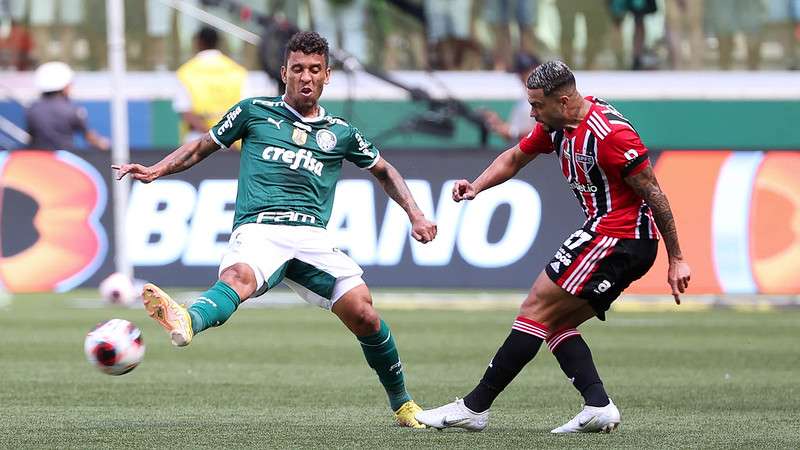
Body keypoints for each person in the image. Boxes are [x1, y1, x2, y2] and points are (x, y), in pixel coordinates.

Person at [113, 31, 437, 429]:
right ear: (283, 72)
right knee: (238, 278)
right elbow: (202, 146)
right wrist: (157, 169)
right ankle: (188, 320)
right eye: (297, 69)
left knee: (365, 315)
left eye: (314, 70)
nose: (305, 77)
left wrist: (416, 215)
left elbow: (384, 171)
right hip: (261, 227)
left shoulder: (340, 132)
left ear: (327, 76)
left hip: (312, 238)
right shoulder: (253, 111)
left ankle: (403, 406)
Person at [415, 60, 691, 433]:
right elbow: (515, 157)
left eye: (536, 105)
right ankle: (598, 405)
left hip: (620, 237)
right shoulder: (555, 125)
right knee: (555, 322)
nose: (531, 113)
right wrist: (477, 186)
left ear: (562, 101)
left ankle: (474, 407)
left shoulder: (611, 135)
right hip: (605, 234)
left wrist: (676, 258)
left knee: (535, 308)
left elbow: (654, 193)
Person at [174, 26, 248, 143]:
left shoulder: (186, 72)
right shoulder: (237, 71)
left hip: (198, 141)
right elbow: (246, 109)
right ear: (217, 42)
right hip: (232, 140)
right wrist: (223, 136)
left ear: (198, 42)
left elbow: (186, 112)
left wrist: (213, 137)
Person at [26, 61, 110, 151]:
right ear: (64, 86)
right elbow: (89, 136)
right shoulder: (72, 109)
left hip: (39, 159)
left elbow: (30, 137)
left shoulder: (32, 109)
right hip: (64, 160)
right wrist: (102, 143)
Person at [481, 52, 539, 143]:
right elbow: (512, 131)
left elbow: (545, 132)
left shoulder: (544, 97)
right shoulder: (524, 98)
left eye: (524, 72)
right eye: (520, 73)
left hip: (540, 154)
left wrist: (512, 133)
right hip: (522, 152)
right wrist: (498, 124)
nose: (520, 77)